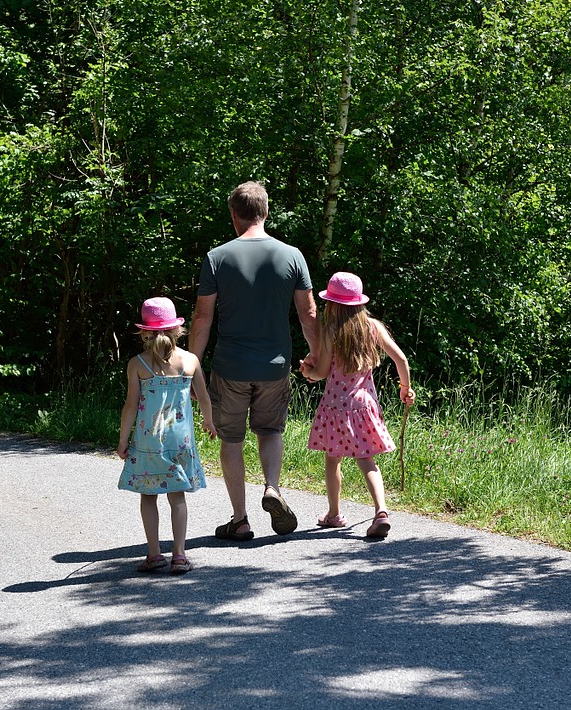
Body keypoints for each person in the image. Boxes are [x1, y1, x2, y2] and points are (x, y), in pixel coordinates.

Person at [190, 181, 320, 540]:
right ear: (265, 212)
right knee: (270, 430)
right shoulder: (292, 255)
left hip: (230, 366)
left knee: (231, 440)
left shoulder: (218, 257)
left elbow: (203, 318)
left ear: (234, 215)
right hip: (274, 367)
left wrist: (191, 367)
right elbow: (308, 314)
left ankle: (240, 520)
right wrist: (318, 356)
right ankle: (273, 488)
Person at [300, 271, 414, 539]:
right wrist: (405, 388)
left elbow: (322, 372)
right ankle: (381, 511)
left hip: (337, 407)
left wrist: (308, 373)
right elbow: (402, 360)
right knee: (366, 459)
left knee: (332, 458)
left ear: (332, 304)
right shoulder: (373, 327)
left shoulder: (331, 332)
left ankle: (334, 514)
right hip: (364, 405)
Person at [117, 297, 217, 573]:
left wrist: (123, 439)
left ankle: (153, 554)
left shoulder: (137, 364)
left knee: (148, 495)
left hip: (149, 440)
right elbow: (204, 398)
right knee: (177, 496)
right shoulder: (190, 361)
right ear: (177, 330)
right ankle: (180, 556)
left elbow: (130, 405)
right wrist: (209, 423)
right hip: (180, 439)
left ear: (144, 332)